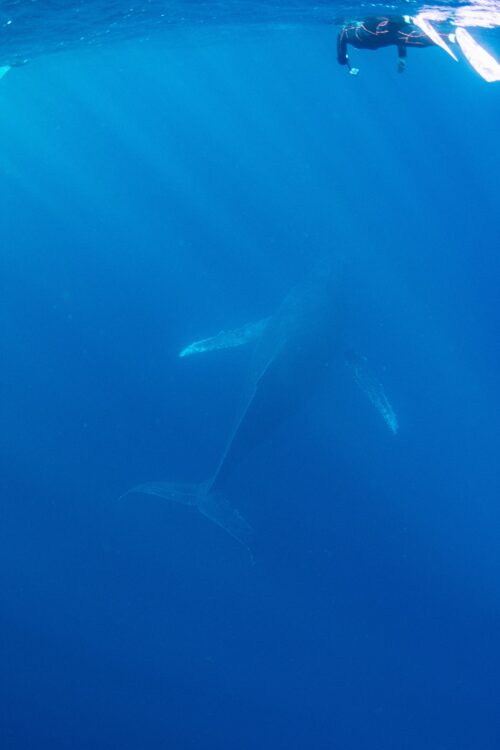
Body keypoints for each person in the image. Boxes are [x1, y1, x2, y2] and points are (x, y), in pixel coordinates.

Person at [337, 15, 443, 75]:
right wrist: (402, 57)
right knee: (418, 40)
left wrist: (344, 60)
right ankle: (453, 37)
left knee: (379, 29)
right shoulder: (348, 33)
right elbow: (399, 42)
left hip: (372, 35)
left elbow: (341, 56)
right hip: (385, 38)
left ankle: (407, 20)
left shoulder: (346, 32)